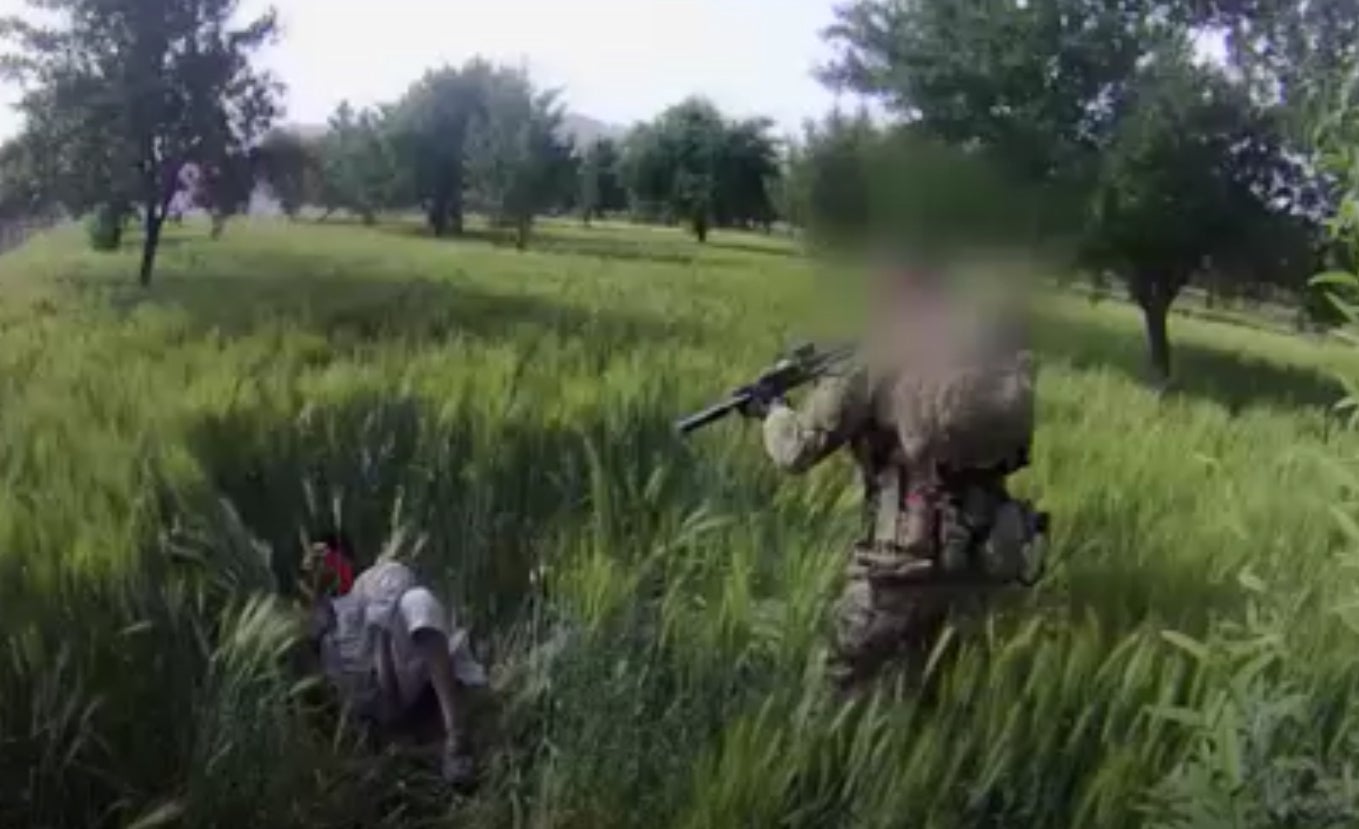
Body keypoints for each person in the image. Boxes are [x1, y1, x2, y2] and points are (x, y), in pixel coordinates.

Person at [746, 263, 1046, 692]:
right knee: (930, 694)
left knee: (832, 682)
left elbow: (795, 452)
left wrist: (772, 409)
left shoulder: (871, 364)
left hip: (899, 564)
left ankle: (823, 758)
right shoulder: (986, 367)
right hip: (980, 559)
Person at [303, 533, 488, 787]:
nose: (320, 566)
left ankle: (456, 736)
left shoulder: (371, 581)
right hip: (362, 698)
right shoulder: (317, 611)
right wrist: (317, 599)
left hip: (397, 681)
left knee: (417, 600)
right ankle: (410, 745)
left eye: (326, 558)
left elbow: (387, 621)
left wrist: (390, 696)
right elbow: (311, 655)